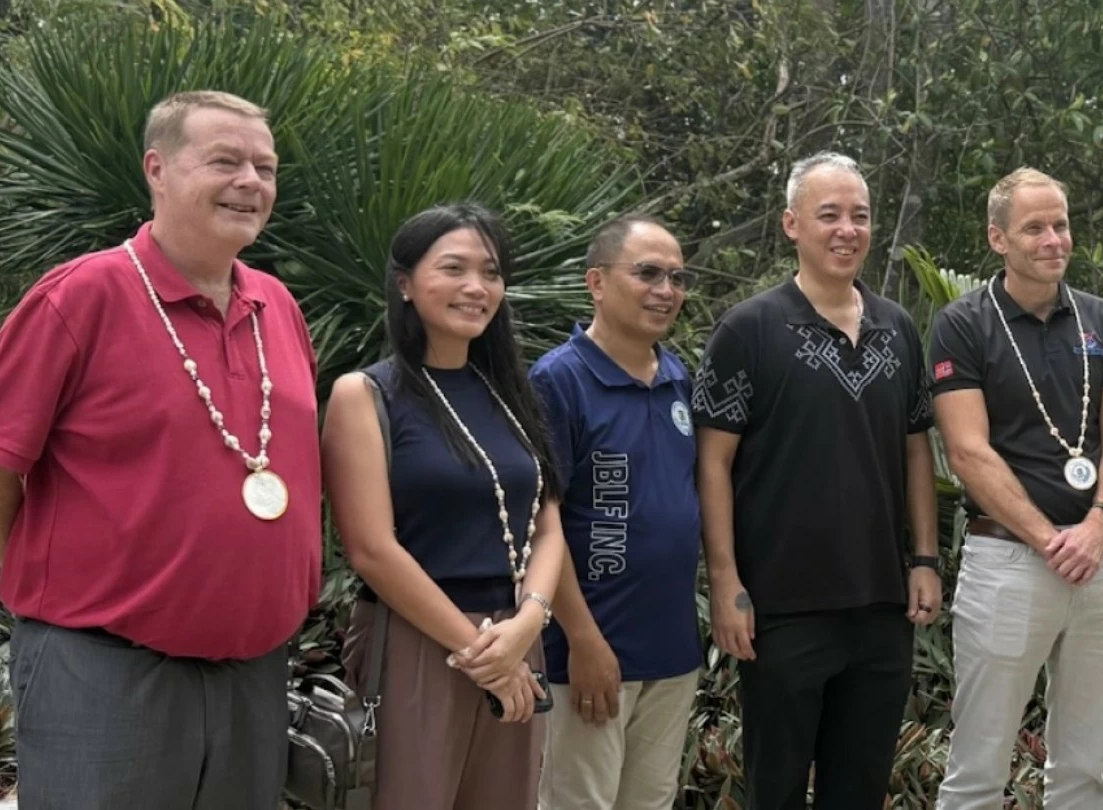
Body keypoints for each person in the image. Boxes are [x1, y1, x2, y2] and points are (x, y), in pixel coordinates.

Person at [0, 91, 321, 808]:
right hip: (103, 674)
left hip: (251, 675)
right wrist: (69, 581)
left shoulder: (278, 307)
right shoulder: (79, 298)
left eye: (265, 166)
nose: (251, 182)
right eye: (226, 161)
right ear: (157, 170)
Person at [691, 151, 941, 810]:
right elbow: (712, 462)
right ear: (791, 224)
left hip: (882, 607)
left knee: (857, 791)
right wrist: (725, 583)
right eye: (828, 214)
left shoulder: (900, 330)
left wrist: (924, 558)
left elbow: (918, 449)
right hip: (780, 610)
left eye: (859, 216)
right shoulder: (748, 329)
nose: (846, 229)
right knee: (773, 790)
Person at [321, 202, 567, 810]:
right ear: (404, 283)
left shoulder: (512, 393)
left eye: (491, 272)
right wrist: (486, 655)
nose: (475, 287)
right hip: (416, 642)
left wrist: (526, 628)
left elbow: (549, 522)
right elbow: (372, 549)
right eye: (453, 268)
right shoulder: (366, 394)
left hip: (513, 632)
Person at [930, 167, 1103, 810]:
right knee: (978, 771)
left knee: (1085, 769)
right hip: (1010, 563)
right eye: (1035, 227)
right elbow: (967, 451)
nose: (1054, 239)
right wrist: (1054, 541)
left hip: (1102, 562)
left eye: (1061, 224)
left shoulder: (1101, 319)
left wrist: (1099, 525)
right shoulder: (963, 324)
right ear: (998, 238)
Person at [529, 216, 702, 810]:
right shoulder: (559, 380)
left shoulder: (680, 379)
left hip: (673, 650)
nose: (666, 289)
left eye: (677, 277)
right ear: (596, 282)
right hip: (589, 652)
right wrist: (582, 639)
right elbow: (540, 523)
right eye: (648, 273)